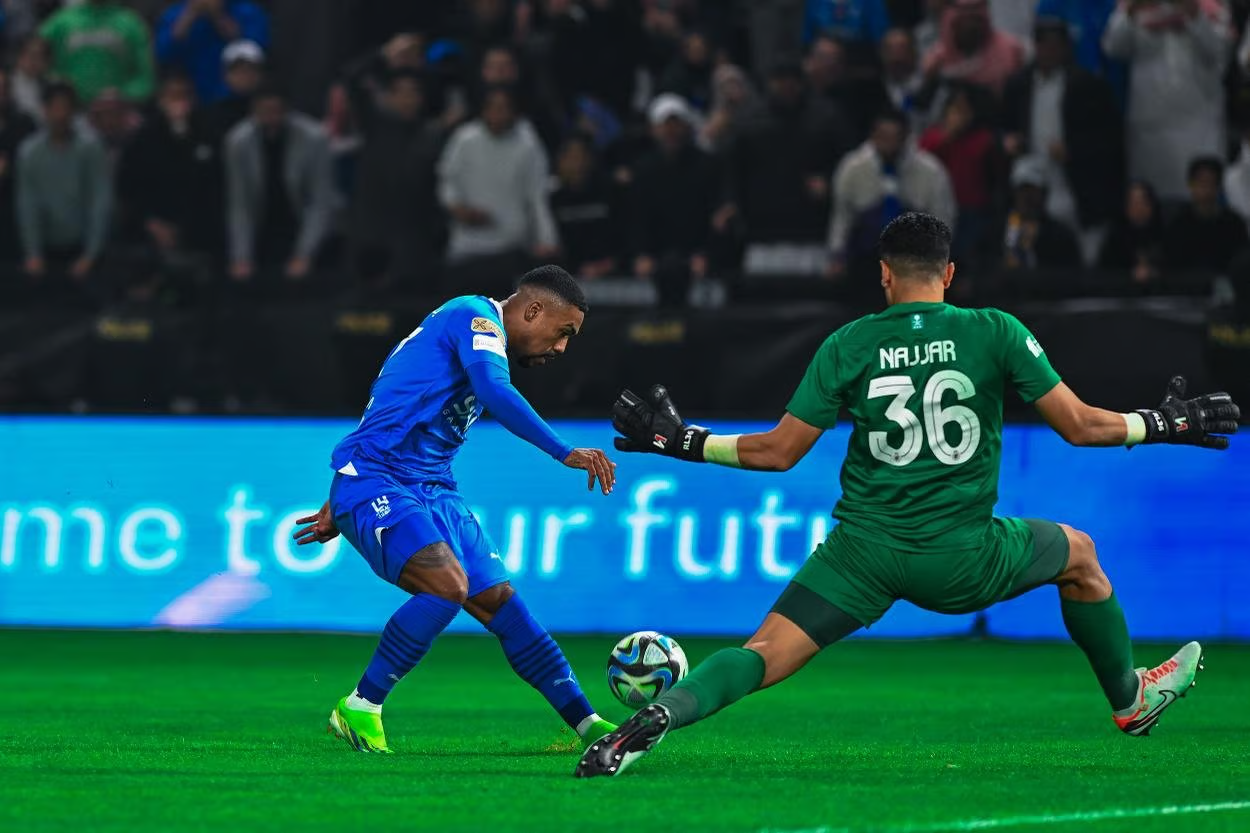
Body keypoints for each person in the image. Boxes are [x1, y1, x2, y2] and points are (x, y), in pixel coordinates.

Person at [576, 212, 1239, 778]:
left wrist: (680, 440)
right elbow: (1081, 425)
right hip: (963, 556)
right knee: (1081, 556)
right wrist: (1165, 423)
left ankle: (661, 715)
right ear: (949, 274)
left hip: (861, 553)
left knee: (760, 654)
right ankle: (1129, 699)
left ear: (885, 275)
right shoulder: (995, 331)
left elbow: (776, 452)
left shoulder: (850, 343)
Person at [292, 265, 619, 754]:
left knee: (501, 604)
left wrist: (338, 501)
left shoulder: (471, 332)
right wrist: (563, 451)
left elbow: (394, 405)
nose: (562, 347)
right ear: (532, 310)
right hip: (380, 478)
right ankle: (362, 705)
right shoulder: (475, 316)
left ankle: (589, 724)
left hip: (430, 485)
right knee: (447, 588)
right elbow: (493, 389)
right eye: (563, 332)